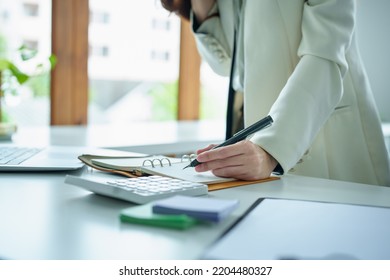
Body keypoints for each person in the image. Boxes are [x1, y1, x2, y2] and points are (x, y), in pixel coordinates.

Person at [161, 0, 390, 187]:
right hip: (257, 141)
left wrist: (270, 150)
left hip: (319, 137)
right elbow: (227, 63)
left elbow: (325, 57)